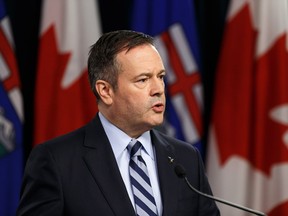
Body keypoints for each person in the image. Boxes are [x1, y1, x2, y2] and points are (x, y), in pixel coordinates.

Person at [16, 30, 220, 216]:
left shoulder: (186, 158)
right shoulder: (56, 161)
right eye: (143, 80)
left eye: (161, 77)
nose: (159, 89)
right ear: (105, 91)